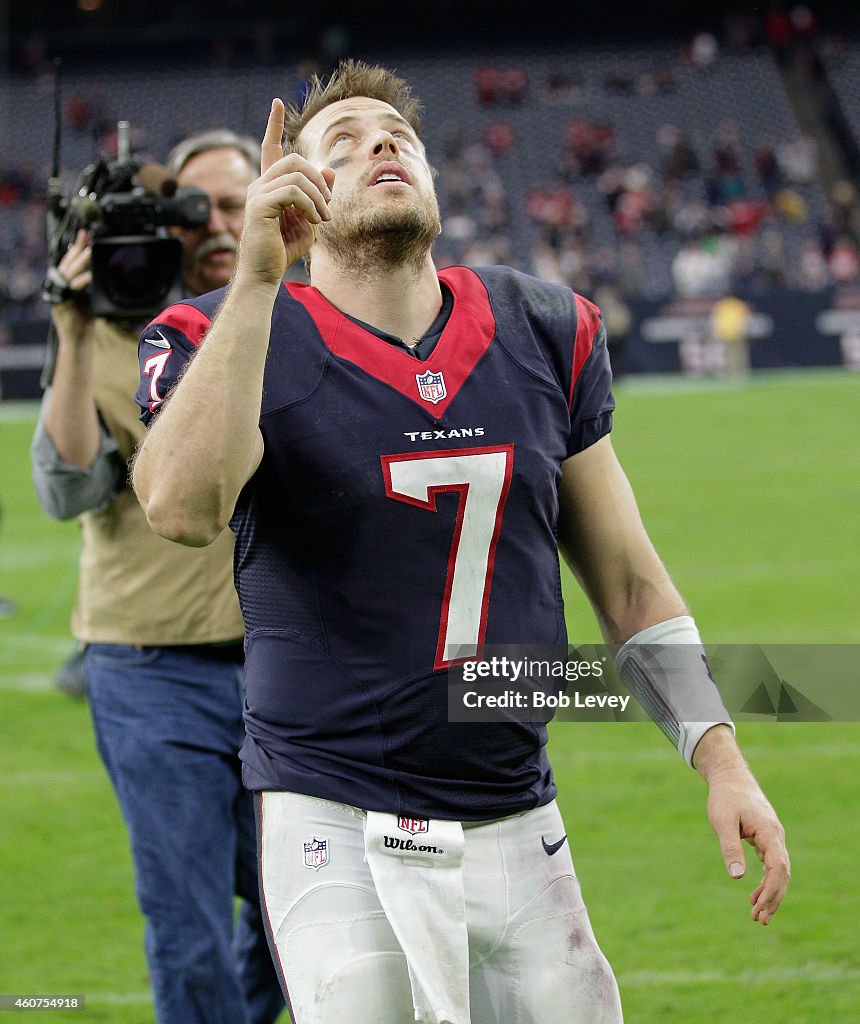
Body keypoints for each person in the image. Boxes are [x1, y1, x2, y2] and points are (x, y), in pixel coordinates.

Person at [131, 61, 790, 1024]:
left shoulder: (540, 324)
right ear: (300, 195)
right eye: (340, 146)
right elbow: (181, 508)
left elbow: (630, 582)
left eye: (396, 135)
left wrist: (721, 760)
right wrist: (259, 282)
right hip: (334, 812)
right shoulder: (222, 332)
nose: (379, 146)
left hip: (514, 809)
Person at [31, 130, 285, 1024]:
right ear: (169, 218)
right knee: (186, 924)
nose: (219, 224)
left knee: (296, 907)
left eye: (238, 203)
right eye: (198, 207)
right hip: (150, 670)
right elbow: (66, 490)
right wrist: (68, 325)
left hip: (283, 667)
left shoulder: (296, 315)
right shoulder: (115, 334)